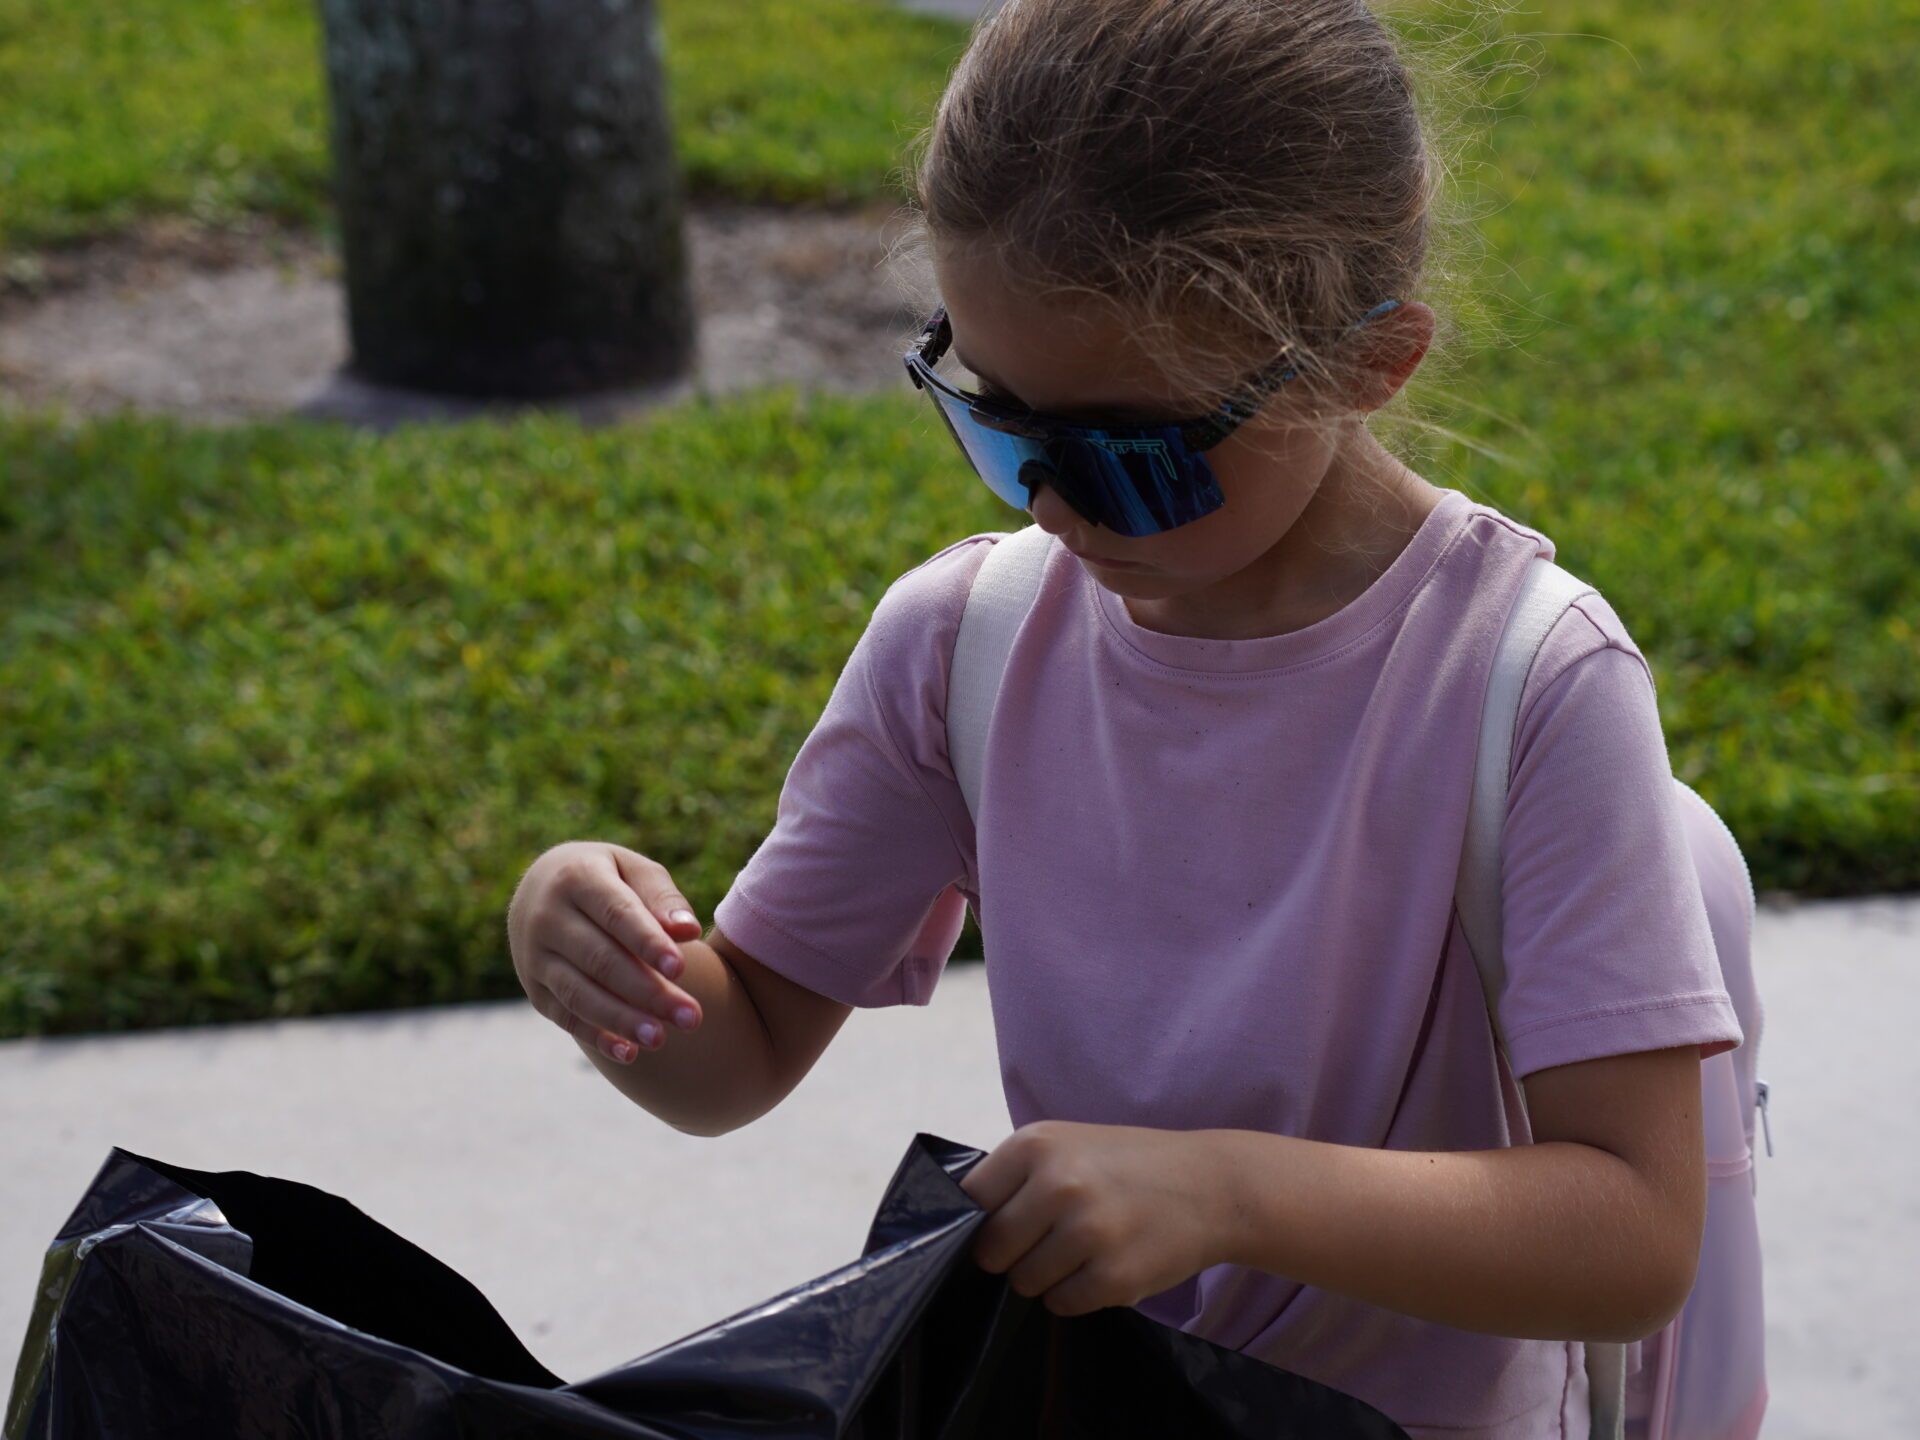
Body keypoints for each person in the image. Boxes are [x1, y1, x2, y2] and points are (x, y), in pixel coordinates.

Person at [506, 2, 1744, 1435]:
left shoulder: (1525, 682)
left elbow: (1633, 1237)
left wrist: (1225, 1195)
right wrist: (594, 947)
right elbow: (734, 1058)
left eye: (1135, 455)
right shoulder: (964, 647)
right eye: (996, 421)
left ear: (1369, 361)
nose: (1053, 503)